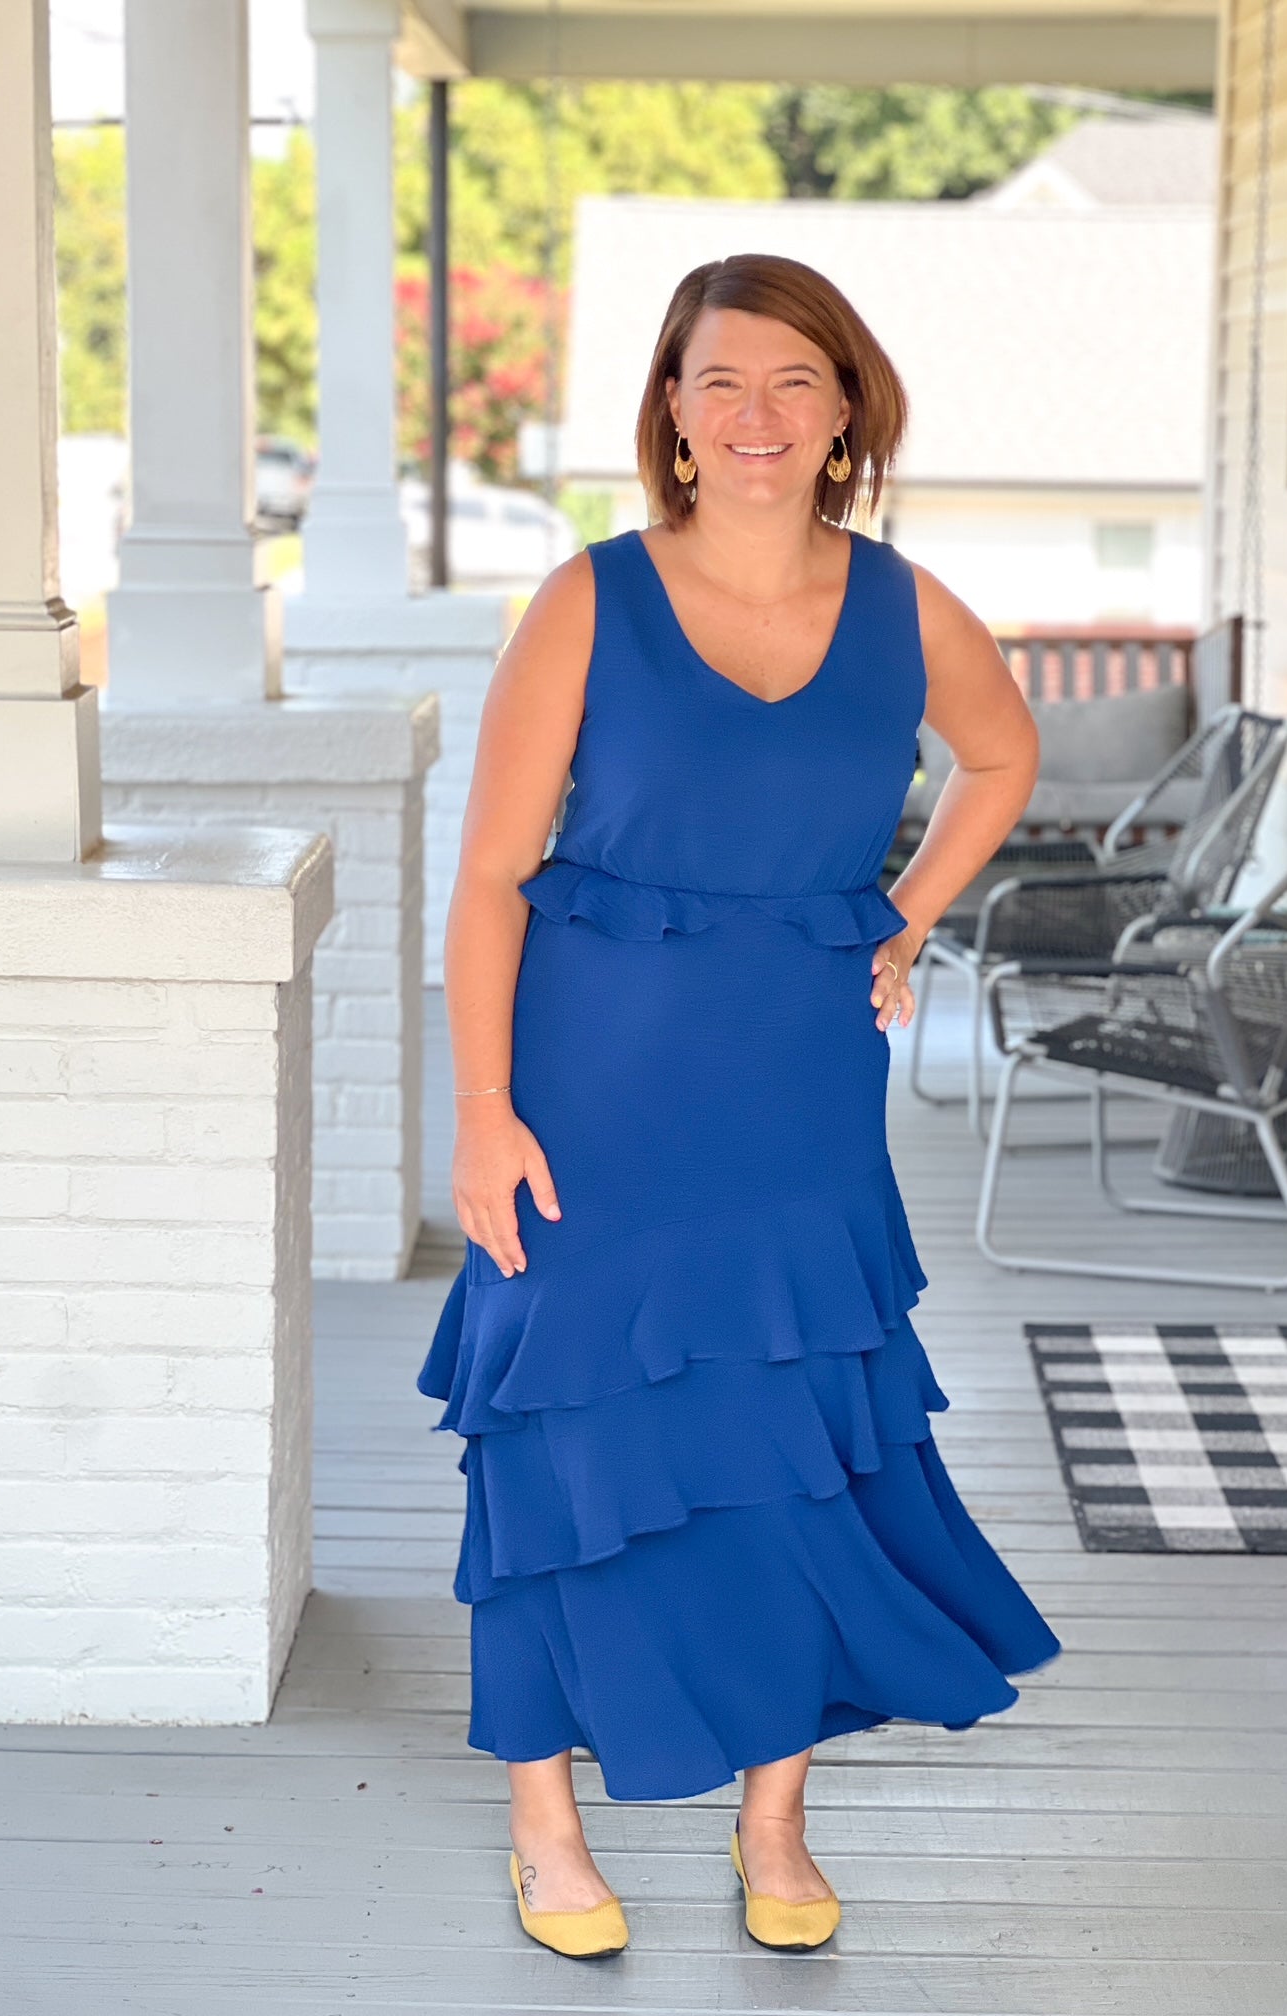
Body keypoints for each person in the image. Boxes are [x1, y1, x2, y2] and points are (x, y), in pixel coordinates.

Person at [417, 251, 1062, 1958]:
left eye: (794, 380)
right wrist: (481, 1107)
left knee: (791, 1444)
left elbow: (1005, 756)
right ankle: (544, 1820)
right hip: (587, 1089)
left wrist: (912, 909)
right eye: (720, 382)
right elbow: (488, 879)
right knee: (556, 1433)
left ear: (846, 408)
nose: (756, 414)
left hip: (796, 1099)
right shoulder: (588, 600)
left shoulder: (908, 609)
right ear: (673, 415)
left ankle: (775, 1818)